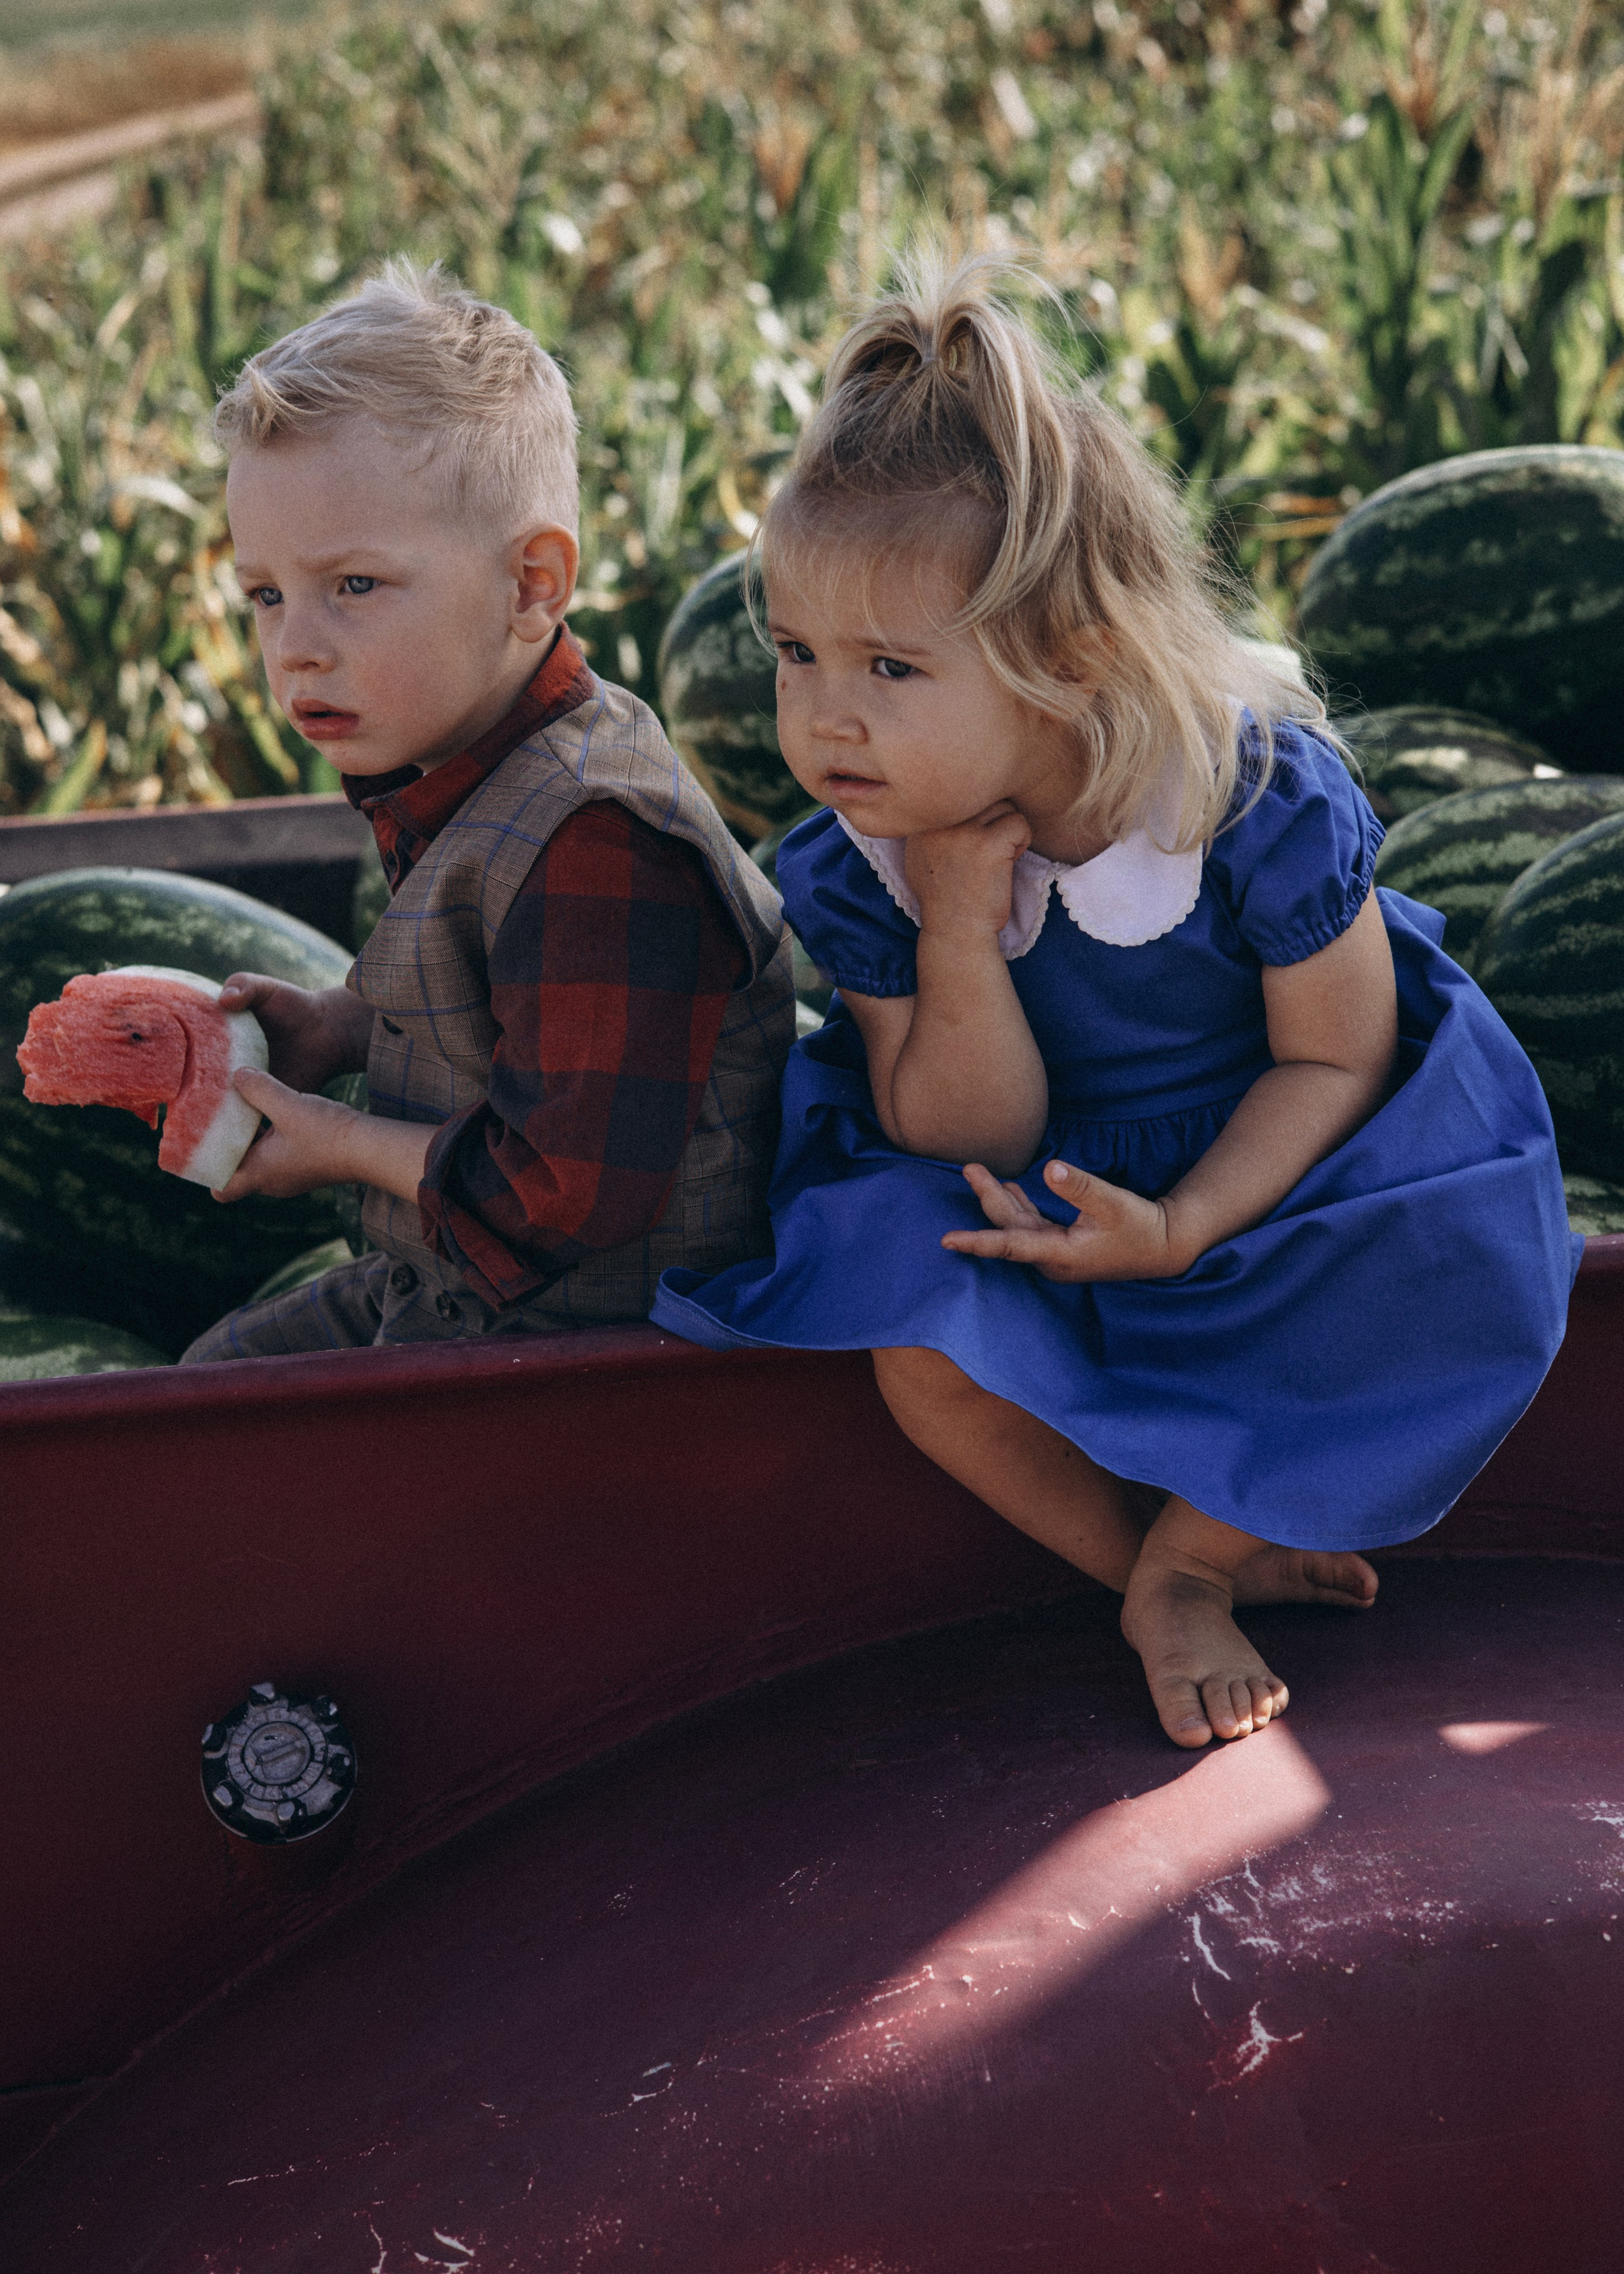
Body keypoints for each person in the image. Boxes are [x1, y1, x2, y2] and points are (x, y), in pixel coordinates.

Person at [652, 255, 1579, 1749]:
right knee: (921, 1347)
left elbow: (1333, 1057)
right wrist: (956, 932)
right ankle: (1144, 1574)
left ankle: (1199, 1548)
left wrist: (1189, 1224)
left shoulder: (1241, 796)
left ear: (1067, 666)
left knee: (1449, 1273)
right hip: (1026, 1164)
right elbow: (950, 1121)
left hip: (1284, 1147)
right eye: (795, 653)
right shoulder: (865, 871)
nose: (825, 715)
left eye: (890, 666)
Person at [181, 261, 793, 1360]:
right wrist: (339, 1025)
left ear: (531, 587)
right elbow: (511, 1009)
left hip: (585, 1357)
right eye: (265, 596)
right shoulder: (468, 760)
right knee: (202, 1399)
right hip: (461, 1291)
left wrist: (341, 1144)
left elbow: (561, 1191)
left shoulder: (601, 841)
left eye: (354, 586)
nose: (295, 646)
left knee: (222, 1463)